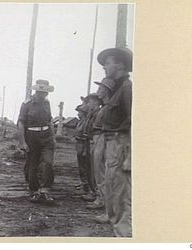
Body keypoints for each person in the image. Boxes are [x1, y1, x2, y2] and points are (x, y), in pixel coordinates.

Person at [96, 47, 132, 237]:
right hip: (112, 142)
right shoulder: (117, 88)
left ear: (120, 65)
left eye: (108, 63)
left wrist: (130, 156)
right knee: (111, 187)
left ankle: (124, 236)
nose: (104, 67)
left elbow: (134, 121)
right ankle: (115, 224)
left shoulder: (127, 88)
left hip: (121, 142)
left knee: (120, 193)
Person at [17, 79, 56, 203]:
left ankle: (45, 190)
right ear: (36, 91)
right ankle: (34, 191)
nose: (42, 95)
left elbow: (49, 121)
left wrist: (53, 138)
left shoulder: (47, 103)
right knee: (32, 165)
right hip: (32, 137)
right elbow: (21, 123)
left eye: (45, 93)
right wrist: (23, 142)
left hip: (46, 137)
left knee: (48, 162)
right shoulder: (26, 104)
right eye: (40, 92)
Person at [85, 78, 115, 211]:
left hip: (103, 137)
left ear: (107, 91)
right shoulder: (105, 107)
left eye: (100, 89)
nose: (98, 92)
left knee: (101, 171)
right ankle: (100, 198)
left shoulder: (108, 108)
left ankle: (103, 200)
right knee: (98, 170)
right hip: (98, 138)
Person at [80, 93, 102, 203]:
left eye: (91, 101)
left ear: (97, 102)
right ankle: (93, 191)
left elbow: (96, 129)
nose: (89, 103)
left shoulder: (98, 113)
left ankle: (96, 193)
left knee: (94, 169)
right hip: (89, 141)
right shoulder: (92, 113)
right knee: (89, 167)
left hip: (95, 141)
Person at [74, 103, 90, 195]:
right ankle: (82, 182)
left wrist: (84, 150)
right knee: (81, 166)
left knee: (85, 166)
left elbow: (85, 137)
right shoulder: (80, 122)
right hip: (78, 145)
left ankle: (86, 185)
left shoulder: (86, 122)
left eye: (80, 112)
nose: (78, 114)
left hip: (83, 145)